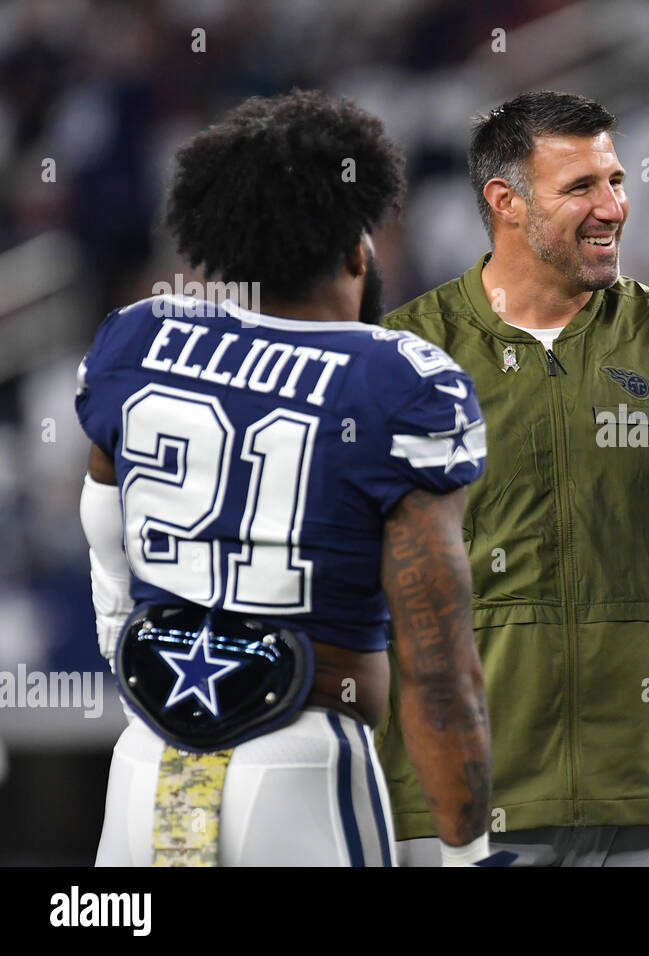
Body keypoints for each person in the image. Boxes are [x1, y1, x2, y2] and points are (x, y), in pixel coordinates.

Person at [77, 90, 495, 866]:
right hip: (301, 766)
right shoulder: (397, 380)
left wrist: (119, 630)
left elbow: (103, 523)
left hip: (144, 765)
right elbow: (440, 672)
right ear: (355, 250)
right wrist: (470, 853)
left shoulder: (136, 339)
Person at [376, 91, 649, 867]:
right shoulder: (403, 357)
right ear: (505, 203)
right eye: (581, 187)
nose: (613, 206)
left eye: (615, 180)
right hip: (466, 806)